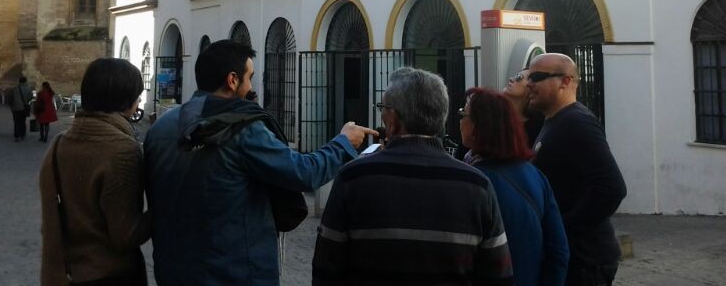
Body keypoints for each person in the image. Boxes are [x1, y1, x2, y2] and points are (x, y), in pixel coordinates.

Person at [144, 39, 376, 286]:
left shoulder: (160, 128)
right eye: (250, 77)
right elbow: (303, 172)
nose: (251, 86)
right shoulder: (241, 128)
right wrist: (342, 143)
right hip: (235, 273)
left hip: (172, 271)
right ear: (232, 80)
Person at [312, 67, 514, 285]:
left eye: (383, 108)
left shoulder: (353, 178)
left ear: (392, 118)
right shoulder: (477, 185)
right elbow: (498, 275)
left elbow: (326, 269)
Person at [39, 58, 150, 285]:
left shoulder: (60, 144)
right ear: (124, 99)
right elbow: (126, 236)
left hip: (69, 273)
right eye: (137, 96)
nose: (138, 102)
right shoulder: (122, 150)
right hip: (111, 274)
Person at [527, 53, 627, 286]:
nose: (529, 83)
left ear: (565, 81)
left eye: (538, 77)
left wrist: (563, 227)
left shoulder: (577, 122)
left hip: (585, 262)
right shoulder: (554, 121)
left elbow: (611, 187)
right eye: (529, 76)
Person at [461, 87, 568, 286]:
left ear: (479, 126)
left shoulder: (473, 180)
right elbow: (559, 251)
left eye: (463, 114)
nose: (460, 121)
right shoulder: (535, 175)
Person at [504, 68, 545, 146]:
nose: (511, 79)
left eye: (519, 77)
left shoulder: (537, 126)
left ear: (531, 86)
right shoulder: (493, 116)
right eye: (515, 75)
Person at [9, 75, 33, 142]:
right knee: (23, 121)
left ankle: (16, 136)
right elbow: (31, 97)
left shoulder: (14, 89)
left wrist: (11, 105)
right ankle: (22, 135)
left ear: (19, 82)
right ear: (25, 82)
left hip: (15, 108)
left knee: (16, 122)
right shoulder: (28, 89)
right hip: (24, 107)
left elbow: (10, 98)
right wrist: (26, 101)